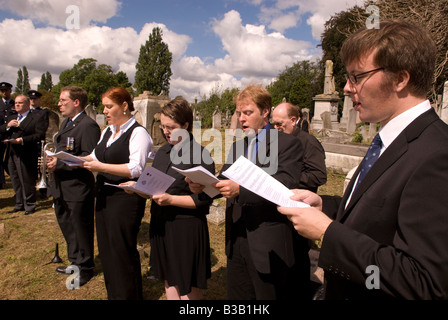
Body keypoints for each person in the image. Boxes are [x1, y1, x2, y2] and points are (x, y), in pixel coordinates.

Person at [278, 20, 448, 300]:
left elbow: (424, 283)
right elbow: (379, 213)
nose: (346, 87)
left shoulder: (437, 154)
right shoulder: (390, 139)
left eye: (357, 77)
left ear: (400, 79)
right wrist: (327, 206)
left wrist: (328, 233)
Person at [189, 84, 310, 300]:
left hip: (267, 239)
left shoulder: (287, 144)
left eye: (248, 112)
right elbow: (224, 181)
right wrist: (203, 187)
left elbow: (284, 184)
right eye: (239, 113)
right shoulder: (238, 146)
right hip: (237, 238)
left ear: (265, 112)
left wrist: (240, 189)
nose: (242, 119)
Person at [81, 87, 153, 300]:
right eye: (103, 106)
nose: (105, 111)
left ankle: (129, 295)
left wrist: (100, 167)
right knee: (107, 251)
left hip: (125, 200)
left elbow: (136, 168)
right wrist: (65, 159)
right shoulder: (107, 131)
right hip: (103, 197)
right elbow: (92, 157)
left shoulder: (138, 133)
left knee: (122, 250)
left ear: (124, 106)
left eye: (109, 106)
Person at [143, 97, 214, 300]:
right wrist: (139, 187)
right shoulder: (163, 152)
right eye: (163, 126)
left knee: (186, 285)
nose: (165, 131)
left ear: (185, 125)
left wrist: (170, 200)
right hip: (161, 222)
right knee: (169, 277)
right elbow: (155, 182)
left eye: (171, 127)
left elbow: (203, 200)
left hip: (185, 228)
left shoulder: (200, 155)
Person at [46, 86, 101, 287]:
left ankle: (85, 268)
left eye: (62, 100)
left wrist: (59, 164)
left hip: (77, 187)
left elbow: (89, 157)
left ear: (76, 102)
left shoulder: (88, 126)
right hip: (61, 186)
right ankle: (75, 261)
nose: (59, 104)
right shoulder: (67, 123)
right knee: (67, 225)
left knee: (80, 228)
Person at [0, 95, 46, 215]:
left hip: (26, 153)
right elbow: (1, 130)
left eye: (20, 103)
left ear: (27, 104)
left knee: (26, 179)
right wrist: (8, 125)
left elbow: (39, 135)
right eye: (15, 103)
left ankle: (30, 204)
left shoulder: (36, 117)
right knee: (15, 179)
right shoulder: (12, 116)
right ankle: (19, 203)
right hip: (11, 152)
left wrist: (22, 140)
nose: (17, 105)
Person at [272, 102, 327, 192]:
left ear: (293, 121)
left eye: (279, 124)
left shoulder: (308, 142)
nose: (275, 128)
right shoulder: (277, 140)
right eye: (273, 124)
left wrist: (288, 177)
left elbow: (319, 176)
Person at [28, 90, 50, 198]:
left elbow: (41, 129)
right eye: (31, 99)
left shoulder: (42, 113)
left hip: (37, 143)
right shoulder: (26, 112)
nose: (33, 101)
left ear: (39, 100)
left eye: (35, 99)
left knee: (41, 168)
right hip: (27, 144)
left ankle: (43, 190)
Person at [0, 82, 15, 189]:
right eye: (2, 91)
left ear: (10, 91)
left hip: (12, 136)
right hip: (0, 135)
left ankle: (15, 181)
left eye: (6, 90)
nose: (4, 93)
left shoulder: (16, 104)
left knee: (10, 162)